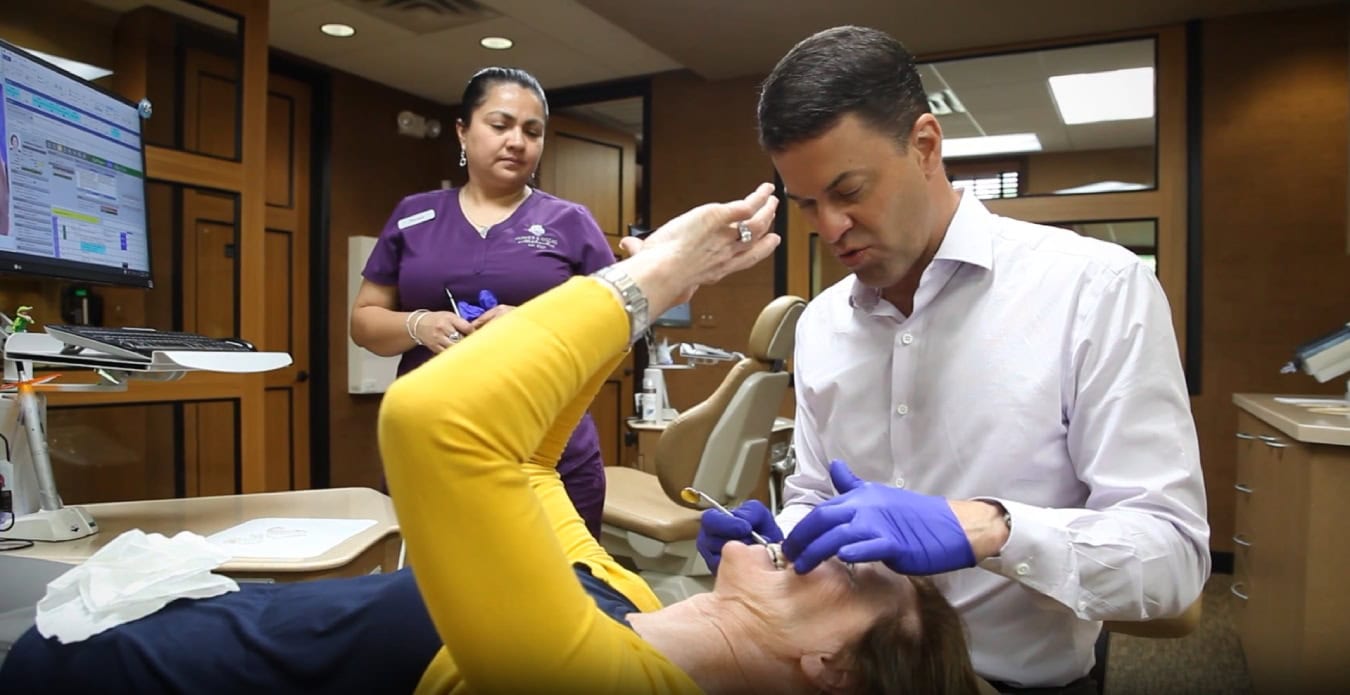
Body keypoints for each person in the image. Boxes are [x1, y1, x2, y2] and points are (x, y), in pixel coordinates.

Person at [1, 184, 982, 695]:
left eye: (854, 572)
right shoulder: (640, 601)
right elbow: (525, 463)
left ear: (833, 670)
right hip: (131, 627)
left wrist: (653, 282)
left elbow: (436, 427)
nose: (821, 537)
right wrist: (603, 325)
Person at [697, 26, 1210, 693]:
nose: (829, 228)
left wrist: (990, 528)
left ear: (925, 146)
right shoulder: (822, 323)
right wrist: (785, 535)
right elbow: (816, 491)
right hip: (855, 675)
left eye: (849, 191)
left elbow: (1171, 563)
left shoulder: (1095, 288)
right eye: (808, 206)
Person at [350, 67, 616, 538]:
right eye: (500, 125)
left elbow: (618, 331)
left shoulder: (571, 222)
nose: (517, 141)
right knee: (430, 595)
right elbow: (364, 321)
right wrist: (418, 325)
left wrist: (535, 326)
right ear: (463, 131)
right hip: (434, 438)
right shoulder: (415, 215)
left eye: (532, 132)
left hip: (545, 446)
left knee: (560, 593)